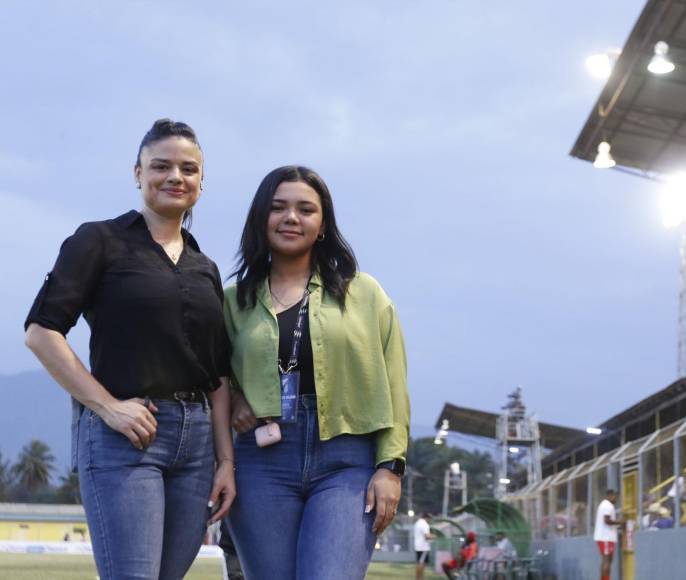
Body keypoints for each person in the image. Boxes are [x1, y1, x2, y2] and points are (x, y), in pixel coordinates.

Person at [23, 119, 235, 579]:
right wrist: (108, 407)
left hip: (196, 443)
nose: (175, 177)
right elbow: (41, 332)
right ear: (138, 173)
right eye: (161, 166)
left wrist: (226, 462)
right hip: (127, 436)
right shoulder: (99, 240)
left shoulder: (206, 267)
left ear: (201, 182)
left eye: (188, 169)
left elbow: (218, 375)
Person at [223, 165, 410, 580]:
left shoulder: (364, 293)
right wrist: (238, 395)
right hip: (261, 462)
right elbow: (214, 375)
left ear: (323, 224)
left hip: (347, 461)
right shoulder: (232, 301)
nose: (291, 218)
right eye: (278, 208)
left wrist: (390, 466)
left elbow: (394, 382)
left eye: (305, 209)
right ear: (260, 218)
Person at [593, 489, 623, 580]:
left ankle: (604, 578)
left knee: (607, 560)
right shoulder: (608, 505)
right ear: (610, 495)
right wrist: (620, 522)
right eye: (615, 497)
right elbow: (607, 520)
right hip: (605, 537)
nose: (616, 499)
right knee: (607, 560)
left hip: (605, 537)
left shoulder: (604, 504)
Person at [414, 513, 434, 580]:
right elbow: (427, 536)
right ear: (427, 518)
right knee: (421, 564)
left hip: (418, 546)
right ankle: (420, 578)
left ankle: (418, 578)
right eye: (430, 519)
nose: (430, 521)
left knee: (419, 563)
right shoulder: (424, 524)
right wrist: (434, 536)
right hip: (423, 547)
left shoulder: (417, 523)